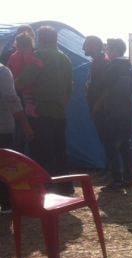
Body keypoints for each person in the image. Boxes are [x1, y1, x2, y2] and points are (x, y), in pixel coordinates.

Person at [15, 25, 74, 195]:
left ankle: (47, 189)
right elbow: (70, 88)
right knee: (60, 149)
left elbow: (22, 82)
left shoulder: (38, 56)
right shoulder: (65, 58)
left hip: (40, 112)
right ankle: (66, 186)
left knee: (42, 151)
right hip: (59, 112)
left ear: (40, 39)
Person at [97, 38, 132, 191]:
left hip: (113, 110)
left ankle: (117, 179)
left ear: (114, 50)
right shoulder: (129, 66)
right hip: (126, 109)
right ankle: (128, 178)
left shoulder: (113, 66)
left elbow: (102, 85)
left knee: (111, 145)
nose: (106, 51)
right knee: (126, 145)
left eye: (108, 49)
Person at [0, 62, 34, 212]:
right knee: (5, 167)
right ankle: (7, 203)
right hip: (2, 128)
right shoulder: (2, 71)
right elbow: (12, 99)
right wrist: (26, 126)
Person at [83, 35, 111, 176]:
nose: (83, 48)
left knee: (107, 137)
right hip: (97, 107)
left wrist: (97, 106)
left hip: (102, 109)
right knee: (104, 138)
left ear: (94, 46)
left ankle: (111, 169)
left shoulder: (102, 62)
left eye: (86, 45)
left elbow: (107, 88)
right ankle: (109, 167)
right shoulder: (97, 61)